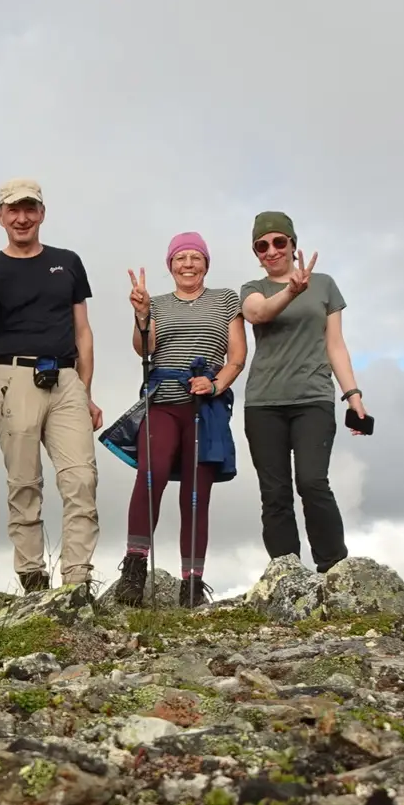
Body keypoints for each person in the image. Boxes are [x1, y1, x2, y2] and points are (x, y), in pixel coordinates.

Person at [0, 178, 102, 593]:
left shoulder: (68, 261)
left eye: (30, 209)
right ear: (1, 216)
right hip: (13, 377)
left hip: (66, 378)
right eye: (13, 210)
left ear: (42, 212)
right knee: (24, 482)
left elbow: (83, 330)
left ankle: (77, 581)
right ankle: (33, 580)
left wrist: (86, 390)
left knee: (81, 479)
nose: (22, 218)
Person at [107, 232, 245, 608]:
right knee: (149, 477)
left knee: (197, 494)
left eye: (195, 257)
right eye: (180, 258)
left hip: (205, 408)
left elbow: (237, 356)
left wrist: (215, 384)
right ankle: (133, 573)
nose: (188, 264)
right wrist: (141, 314)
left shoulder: (226, 300)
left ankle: (192, 586)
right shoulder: (158, 304)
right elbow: (145, 349)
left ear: (206, 264)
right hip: (163, 402)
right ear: (170, 265)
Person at [239, 211, 369, 574]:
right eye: (262, 245)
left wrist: (353, 395)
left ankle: (334, 570)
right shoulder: (252, 289)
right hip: (264, 403)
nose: (271, 250)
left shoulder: (325, 285)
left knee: (313, 482)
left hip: (313, 398)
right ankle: (287, 574)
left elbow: (336, 345)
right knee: (275, 494)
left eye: (279, 241)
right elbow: (259, 314)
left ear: (293, 244)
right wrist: (290, 291)